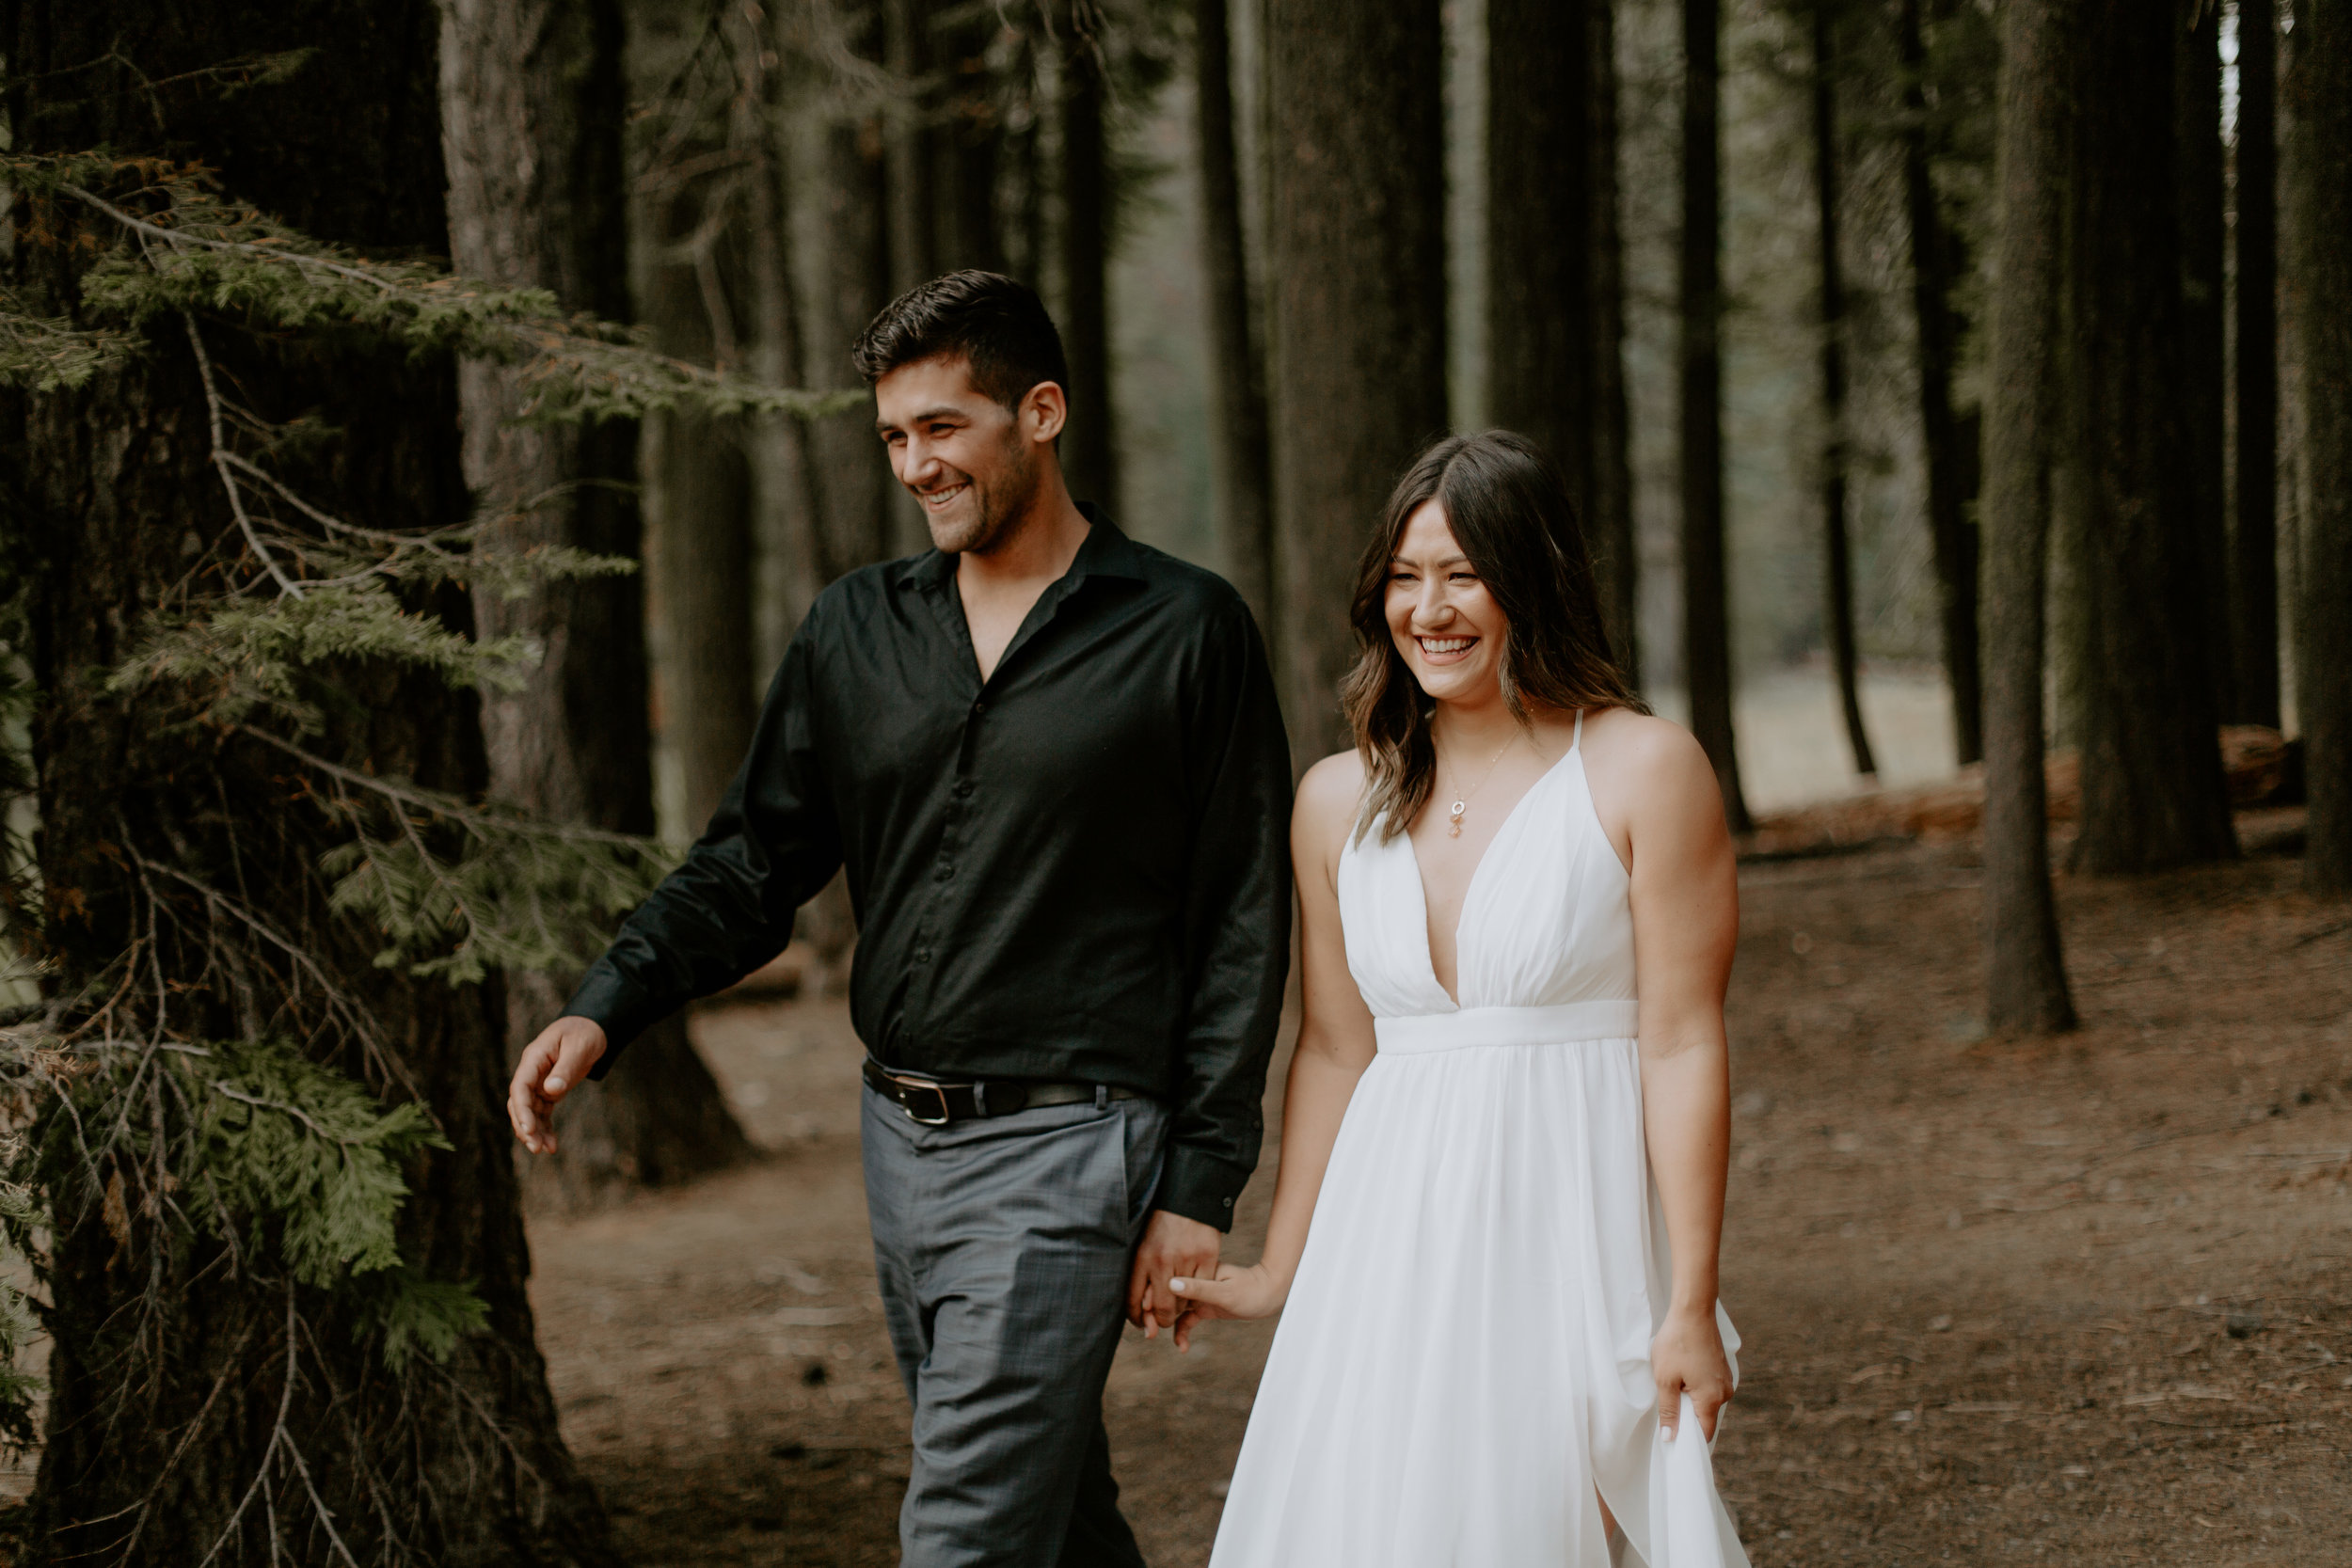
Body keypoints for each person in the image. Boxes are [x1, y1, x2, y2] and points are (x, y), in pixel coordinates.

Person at [505, 271, 1294, 1567]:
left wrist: (1198, 1184)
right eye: (893, 438)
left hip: (1068, 1149)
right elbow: (753, 860)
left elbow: (1240, 925)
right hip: (900, 1143)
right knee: (1051, 1515)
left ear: (1040, 412)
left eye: (943, 427)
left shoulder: (1183, 630)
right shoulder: (854, 631)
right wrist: (608, 1003)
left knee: (965, 1531)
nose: (915, 464)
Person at [1167, 431, 1751, 1567]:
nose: (1426, 609)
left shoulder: (1642, 768)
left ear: (1532, 580)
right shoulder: (1337, 799)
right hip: (1384, 1246)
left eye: (1461, 574)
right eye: (1403, 576)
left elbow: (1680, 1040)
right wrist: (1282, 1267)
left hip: (1568, 1230)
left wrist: (1689, 1299)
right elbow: (1335, 1049)